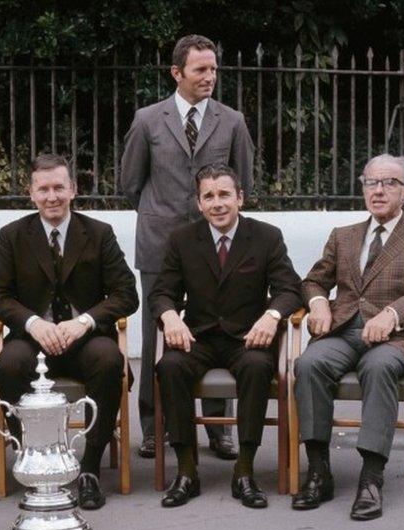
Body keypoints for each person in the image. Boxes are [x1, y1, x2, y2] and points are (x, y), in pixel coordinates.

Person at [291, 154, 404, 521]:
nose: (378, 191)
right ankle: (318, 471)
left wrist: (393, 313)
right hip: (344, 329)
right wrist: (317, 304)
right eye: (370, 183)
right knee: (309, 363)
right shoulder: (344, 236)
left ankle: (371, 479)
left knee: (379, 368)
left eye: (389, 183)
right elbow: (314, 280)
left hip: (397, 337)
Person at [121, 34, 254, 460]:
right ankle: (153, 425)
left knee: (218, 325)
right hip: (160, 245)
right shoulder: (147, 120)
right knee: (157, 331)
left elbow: (244, 183)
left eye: (214, 69)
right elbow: (129, 184)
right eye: (201, 69)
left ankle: (219, 428)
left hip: (217, 245)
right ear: (177, 73)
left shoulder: (231, 121)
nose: (209, 77)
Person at [0, 153, 139, 510]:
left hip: (85, 340)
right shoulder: (13, 235)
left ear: (73, 190)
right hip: (33, 342)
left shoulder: (99, 233)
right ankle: (33, 459)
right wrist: (33, 323)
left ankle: (89, 468)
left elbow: (126, 294)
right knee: (8, 364)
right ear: (31, 193)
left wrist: (83, 321)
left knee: (109, 358)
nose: (52, 196)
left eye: (59, 187)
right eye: (44, 189)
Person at [149, 164, 302, 509]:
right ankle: (187, 471)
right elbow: (161, 293)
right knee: (169, 366)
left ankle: (244, 471)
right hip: (198, 337)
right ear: (199, 203)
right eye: (209, 196)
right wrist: (170, 314)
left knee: (257, 367)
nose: (217, 203)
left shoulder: (266, 236)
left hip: (248, 337)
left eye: (225, 195)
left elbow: (290, 288)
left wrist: (272, 315)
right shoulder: (183, 239)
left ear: (240, 198)